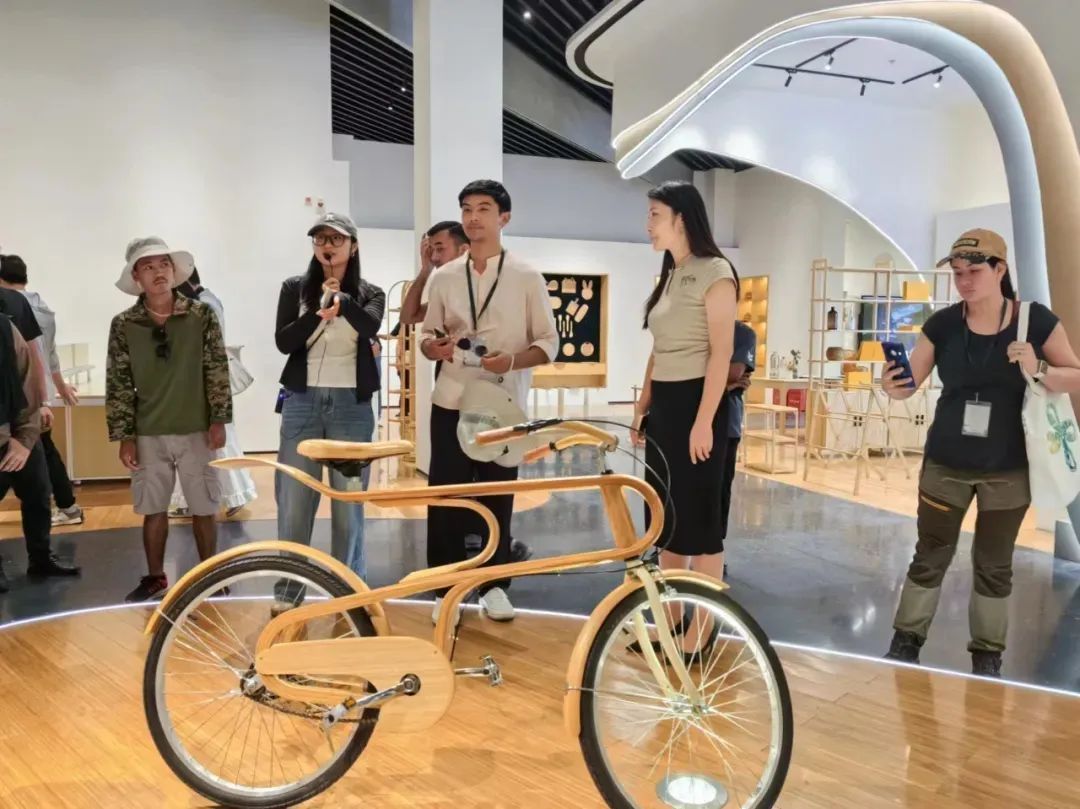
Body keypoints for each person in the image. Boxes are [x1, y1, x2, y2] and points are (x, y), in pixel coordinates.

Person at [883, 229, 1080, 678]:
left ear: (1000, 269)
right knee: (930, 553)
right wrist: (892, 384)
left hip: (1009, 469)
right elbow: (909, 384)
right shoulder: (942, 325)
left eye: (973, 271)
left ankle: (988, 656)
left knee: (994, 564)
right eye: (957, 273)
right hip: (945, 464)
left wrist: (1038, 366)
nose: (964, 281)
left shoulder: (1036, 321)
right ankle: (905, 642)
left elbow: (1075, 374)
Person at [420, 180, 558, 624]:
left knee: (497, 495)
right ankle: (444, 589)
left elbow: (549, 343)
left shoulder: (526, 276)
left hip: (503, 402)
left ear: (504, 218)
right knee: (447, 496)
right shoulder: (444, 276)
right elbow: (426, 335)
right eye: (466, 209)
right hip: (451, 398)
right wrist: (433, 348)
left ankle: (494, 584)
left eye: (483, 208)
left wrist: (512, 361)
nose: (473, 217)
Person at [630, 180, 739, 662]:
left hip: (700, 402)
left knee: (701, 523)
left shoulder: (716, 271)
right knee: (667, 520)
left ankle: (702, 628)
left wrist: (704, 421)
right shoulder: (671, 273)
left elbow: (722, 352)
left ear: (681, 217)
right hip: (667, 406)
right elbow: (660, 347)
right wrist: (644, 403)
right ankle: (671, 620)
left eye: (655, 215)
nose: (648, 225)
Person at [106, 237, 232, 602]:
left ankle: (209, 575)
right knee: (153, 507)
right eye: (148, 267)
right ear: (136, 276)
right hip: (149, 430)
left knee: (204, 506)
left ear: (174, 271)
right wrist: (125, 436)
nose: (158, 272)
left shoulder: (200, 315)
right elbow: (118, 381)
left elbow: (216, 368)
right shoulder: (124, 324)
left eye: (164, 264)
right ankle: (155, 577)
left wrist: (219, 418)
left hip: (196, 427)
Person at [273, 212, 384, 612]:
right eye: (320, 239)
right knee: (294, 500)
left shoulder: (371, 293)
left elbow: (369, 328)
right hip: (302, 401)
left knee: (348, 504)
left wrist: (343, 300)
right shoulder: (294, 288)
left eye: (336, 239)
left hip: (351, 405)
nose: (327, 245)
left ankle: (348, 589)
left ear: (353, 247)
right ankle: (289, 589)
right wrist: (317, 309)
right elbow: (284, 342)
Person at [0, 310, 81, 593]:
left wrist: (24, 438)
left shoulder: (4, 327)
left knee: (38, 493)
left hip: (16, 432)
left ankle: (41, 558)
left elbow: (28, 378)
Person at [0, 255, 84, 527]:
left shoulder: (16, 307)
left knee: (37, 454)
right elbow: (49, 354)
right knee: (43, 450)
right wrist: (55, 389)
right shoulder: (43, 308)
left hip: (26, 398)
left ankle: (66, 507)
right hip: (37, 394)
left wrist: (42, 401)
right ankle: (67, 506)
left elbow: (34, 353)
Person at [171, 268, 257, 519]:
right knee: (206, 441)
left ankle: (231, 496)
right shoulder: (209, 300)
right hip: (201, 379)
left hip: (203, 380)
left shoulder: (204, 305)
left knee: (214, 440)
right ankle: (220, 497)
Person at [721, 321, 756, 574]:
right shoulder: (691, 325)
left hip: (724, 424)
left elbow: (734, 374)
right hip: (684, 422)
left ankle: (711, 550)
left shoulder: (741, 334)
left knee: (717, 492)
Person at [400, 221, 470, 327]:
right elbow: (408, 317)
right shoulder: (447, 288)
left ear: (464, 250)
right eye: (431, 250)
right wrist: (425, 270)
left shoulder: (484, 284)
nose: (433, 258)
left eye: (440, 249)